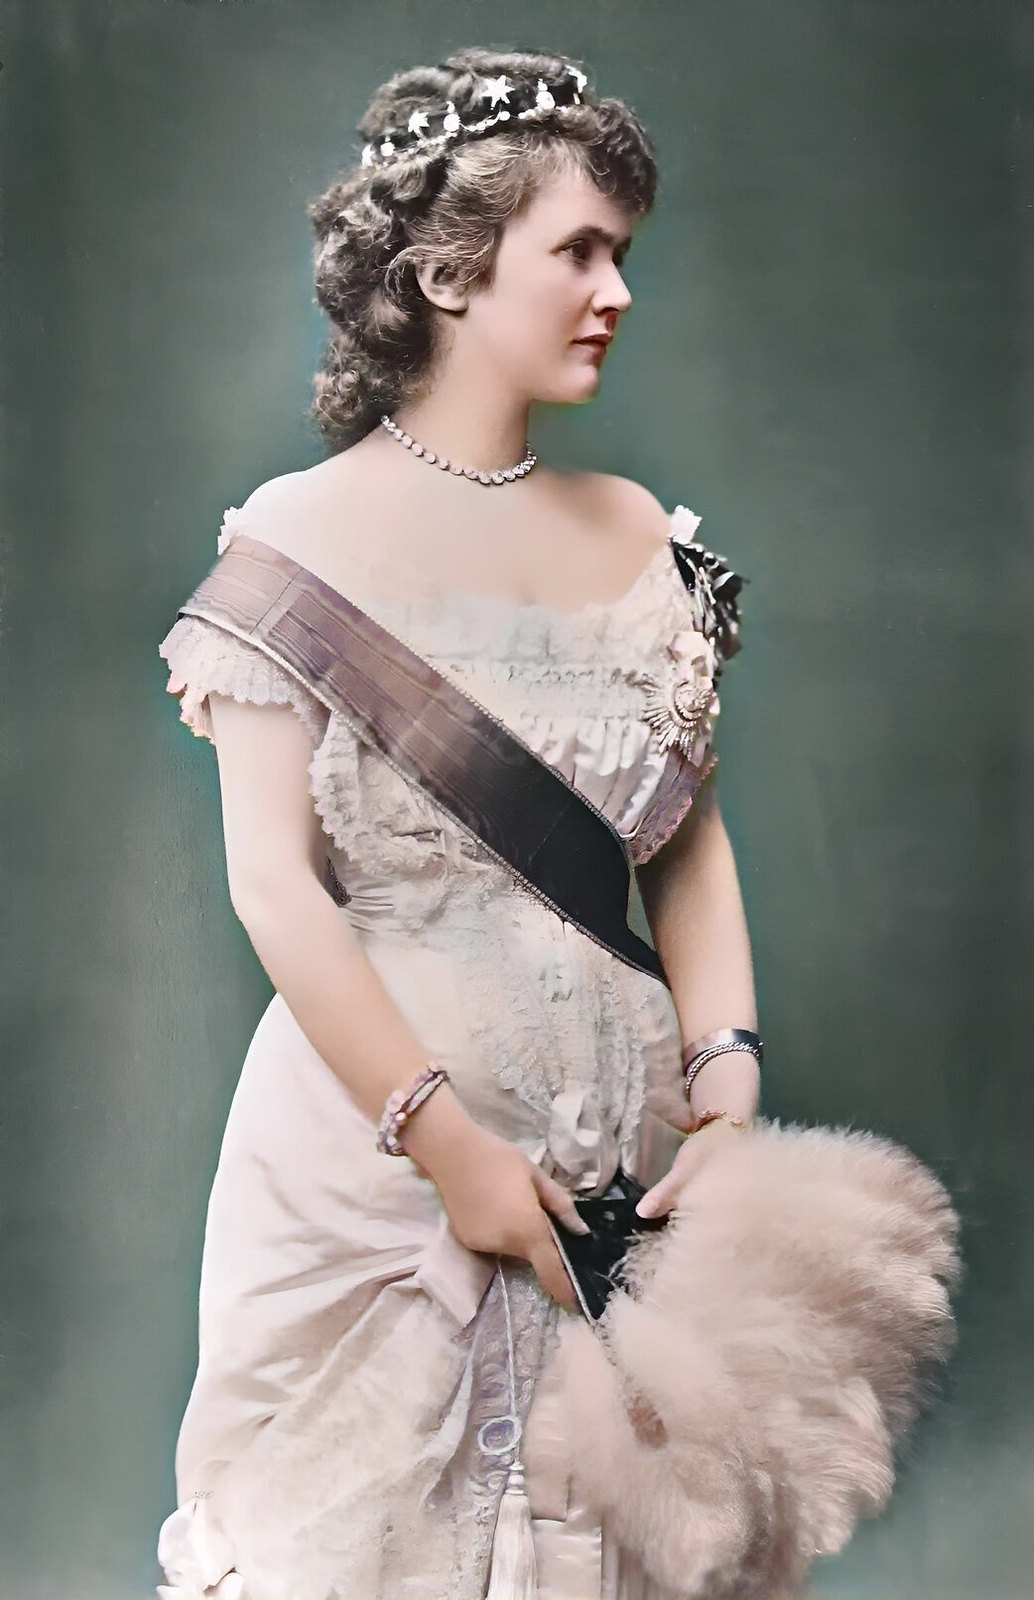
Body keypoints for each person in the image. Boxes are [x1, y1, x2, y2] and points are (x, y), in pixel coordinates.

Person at [155, 47, 761, 1600]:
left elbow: (682, 844)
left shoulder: (645, 538)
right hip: (375, 1161)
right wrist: (449, 1152)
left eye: (623, 251)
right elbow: (272, 888)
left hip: (620, 1133)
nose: (614, 287)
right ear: (445, 274)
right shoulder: (289, 542)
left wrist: (729, 1077)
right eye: (578, 250)